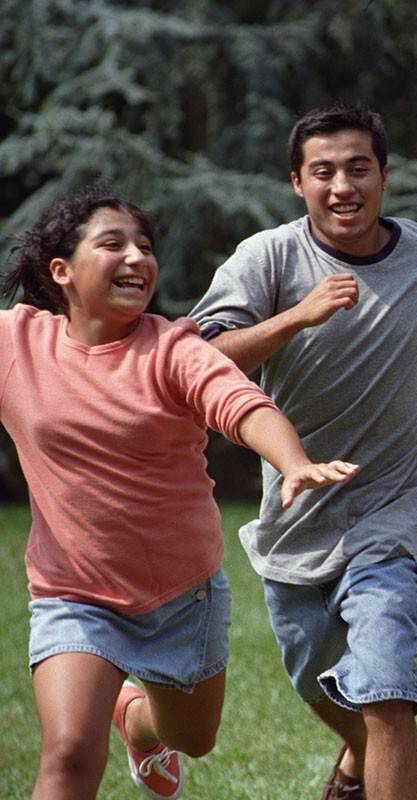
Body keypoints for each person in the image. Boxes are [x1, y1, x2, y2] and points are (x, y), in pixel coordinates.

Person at [3, 188, 357, 800]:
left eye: (145, 246)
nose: (137, 258)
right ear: (61, 271)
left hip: (179, 597)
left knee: (192, 738)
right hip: (73, 593)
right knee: (68, 752)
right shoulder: (17, 345)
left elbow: (242, 405)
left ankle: (139, 726)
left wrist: (292, 460)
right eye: (113, 244)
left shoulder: (172, 349)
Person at [189, 104, 417, 800]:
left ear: (385, 176)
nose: (344, 186)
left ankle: (372, 756)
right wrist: (295, 316)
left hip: (391, 514)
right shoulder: (269, 257)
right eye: (324, 172)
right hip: (296, 517)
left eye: (359, 169)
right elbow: (198, 362)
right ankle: (354, 761)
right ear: (297, 183)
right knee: (314, 679)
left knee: (387, 691)